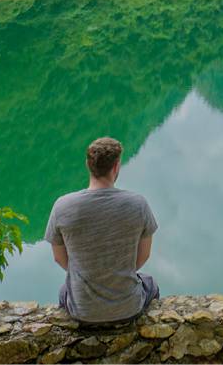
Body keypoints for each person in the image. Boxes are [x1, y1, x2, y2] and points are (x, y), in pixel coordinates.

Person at [44, 137, 160, 323]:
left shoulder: (63, 206)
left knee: (65, 290)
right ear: (116, 167)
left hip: (82, 311)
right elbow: (143, 255)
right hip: (129, 308)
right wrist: (116, 273)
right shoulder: (138, 204)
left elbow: (59, 258)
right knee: (150, 283)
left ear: (88, 165)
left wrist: (88, 273)